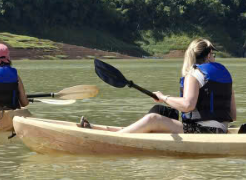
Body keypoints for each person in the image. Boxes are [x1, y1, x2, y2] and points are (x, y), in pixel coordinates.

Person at [98, 38, 236, 134]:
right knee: (157, 116)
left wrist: (164, 97)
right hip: (221, 130)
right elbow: (233, 115)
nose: (214, 57)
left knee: (153, 118)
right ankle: (109, 131)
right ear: (209, 55)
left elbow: (188, 105)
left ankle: (115, 138)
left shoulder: (194, 74)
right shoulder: (225, 76)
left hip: (202, 132)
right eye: (213, 54)